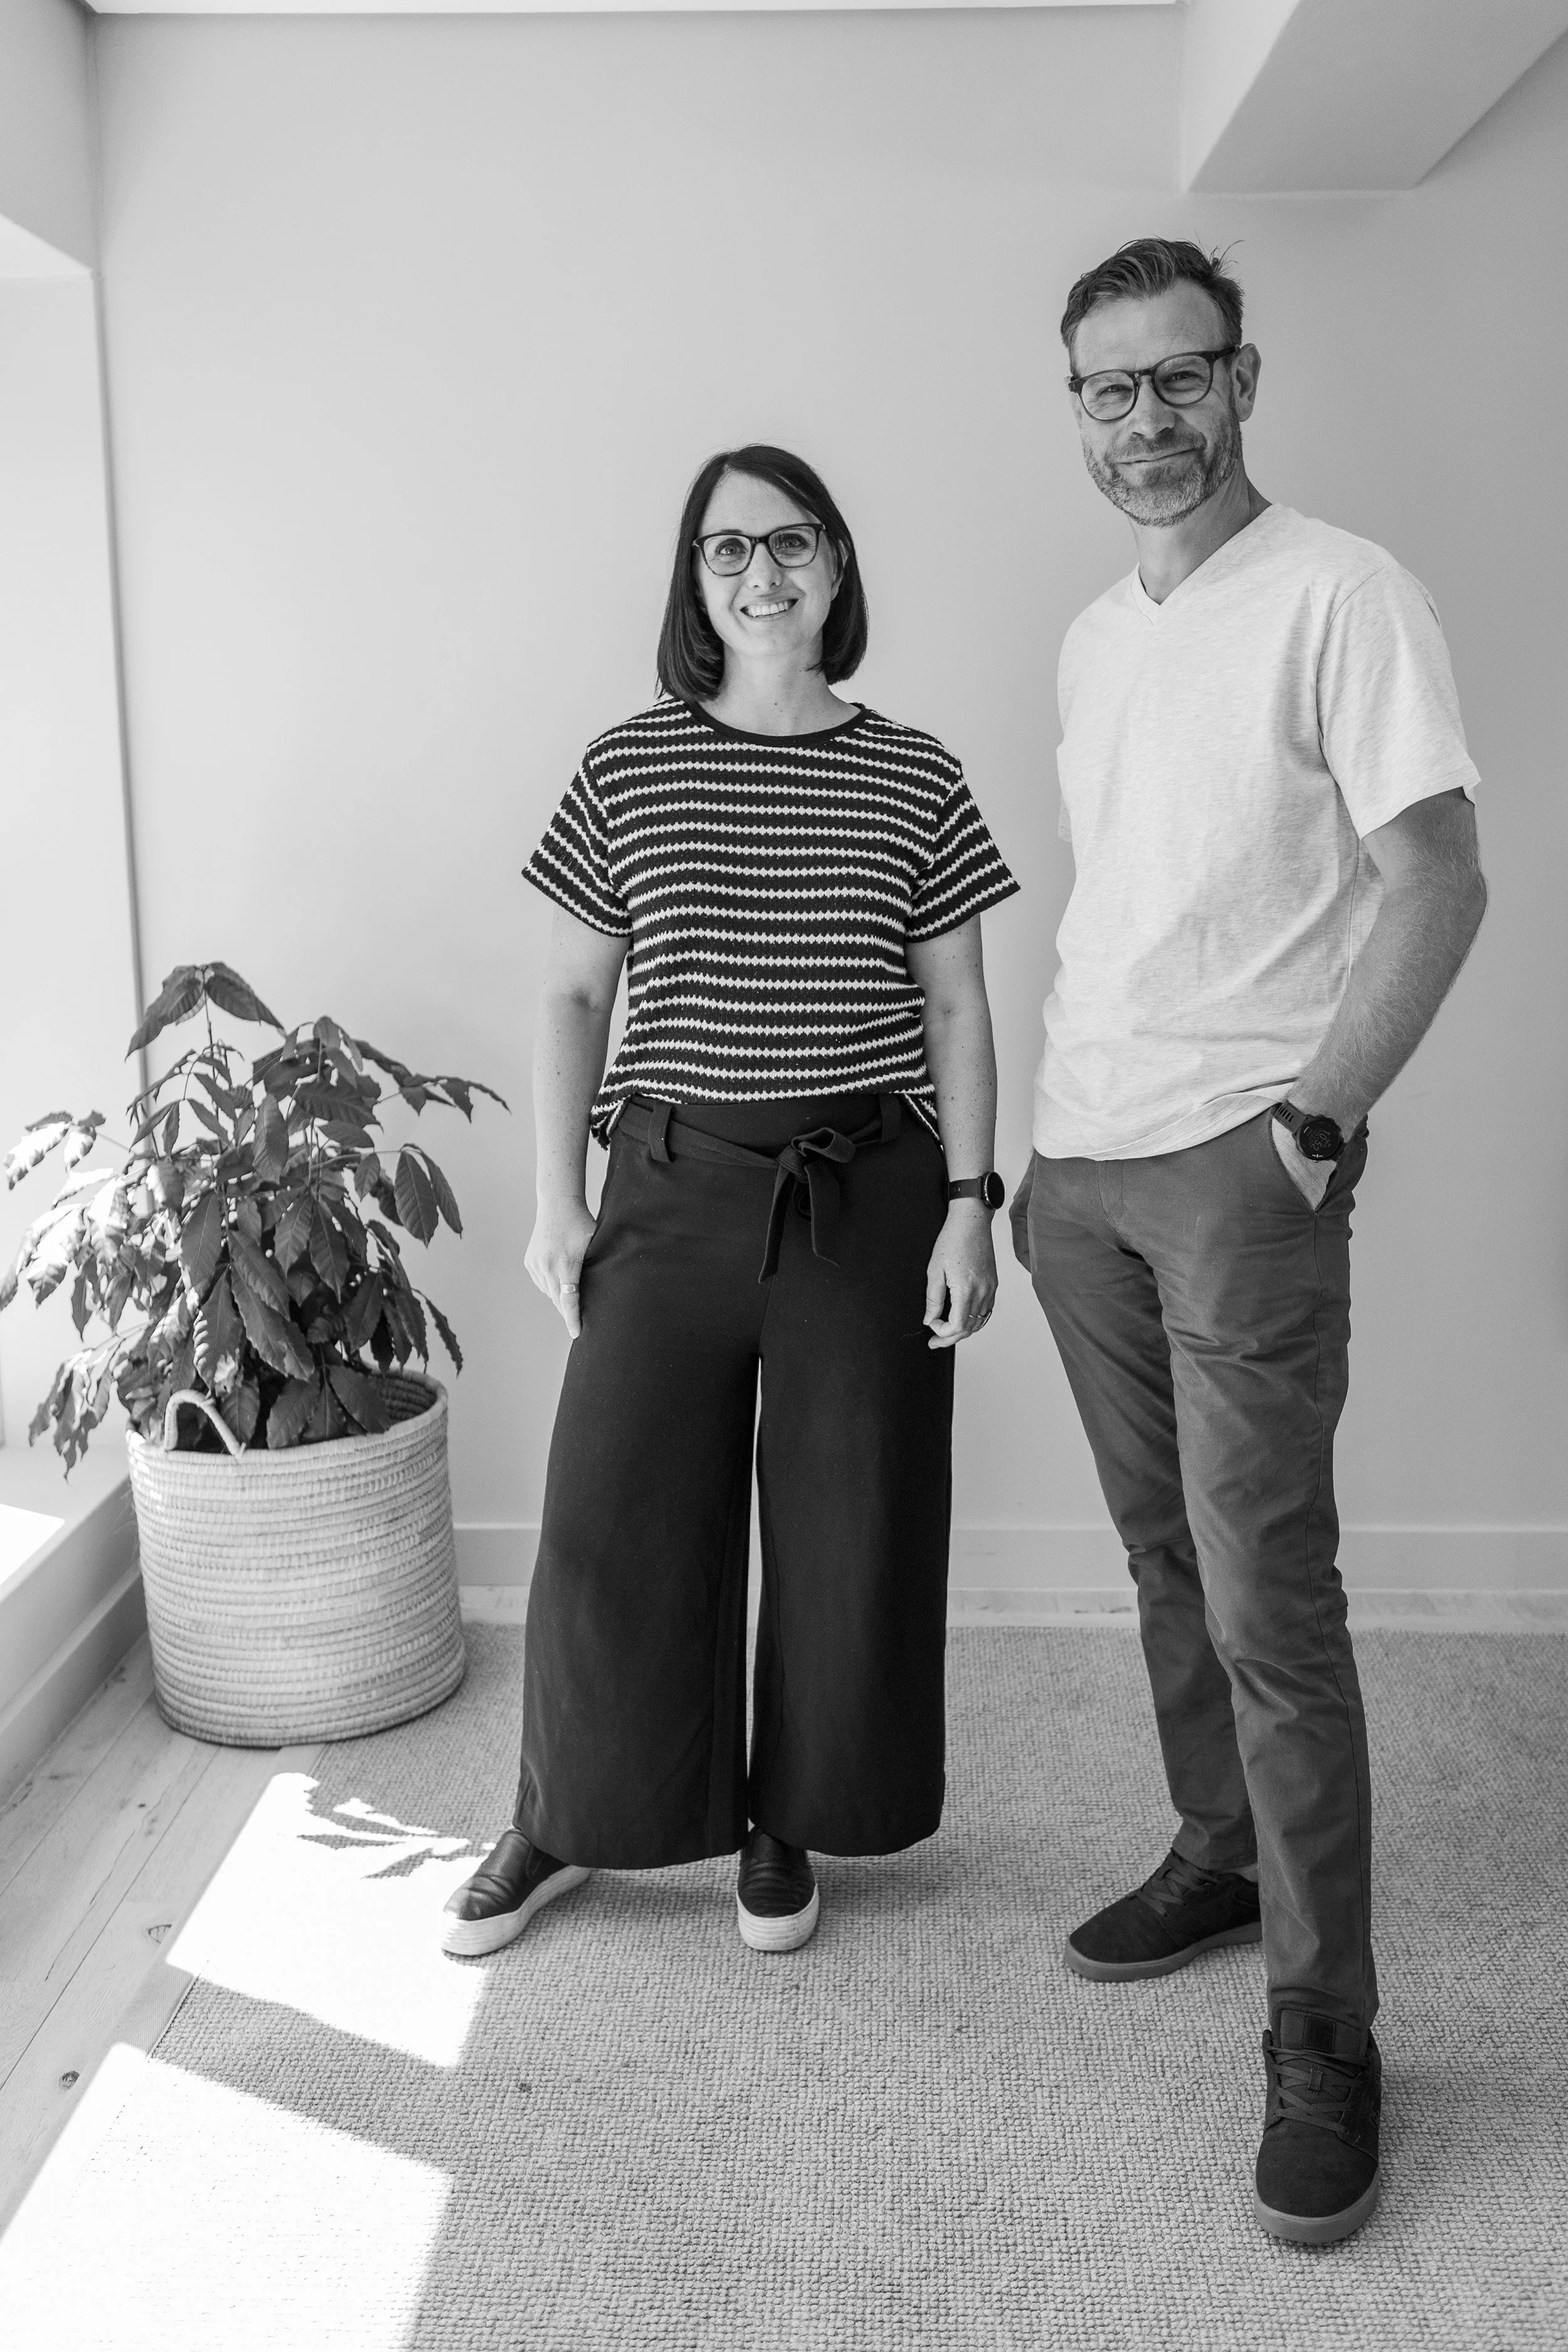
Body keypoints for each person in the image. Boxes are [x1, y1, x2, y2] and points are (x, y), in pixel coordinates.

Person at [1015, 240, 1486, 2245]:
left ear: (1243, 379)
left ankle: (1326, 2024)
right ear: (1077, 407)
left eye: (1176, 380)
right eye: (1106, 390)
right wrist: (1042, 1163)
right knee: (1157, 1556)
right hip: (1077, 1167)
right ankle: (1215, 1850)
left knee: (1268, 1599)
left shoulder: (1342, 592)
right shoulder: (1089, 638)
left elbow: (1437, 879)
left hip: (1237, 1164)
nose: (1144, 421)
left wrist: (1310, 1119)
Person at [443, 443, 1017, 1964]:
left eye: (789, 544)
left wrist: (971, 1204)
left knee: (848, 1522)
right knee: (610, 1516)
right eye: (725, 551)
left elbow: (955, 1010)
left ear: (836, 565)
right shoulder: (630, 762)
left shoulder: (916, 771)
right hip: (671, 1184)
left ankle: (790, 1819)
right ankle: (568, 1819)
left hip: (865, 1191)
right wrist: (554, 1200)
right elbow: (574, 990)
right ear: (693, 583)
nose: (760, 575)